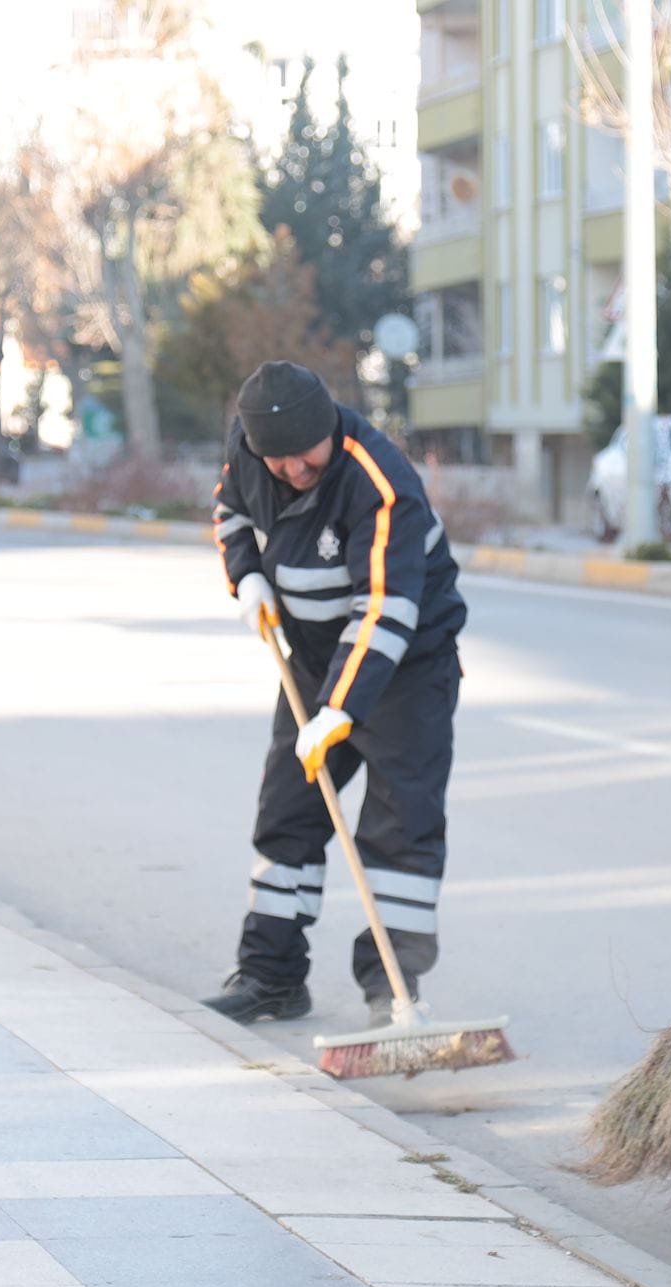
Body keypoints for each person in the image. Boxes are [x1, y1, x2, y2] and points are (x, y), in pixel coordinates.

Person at [203, 361, 467, 1026]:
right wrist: (247, 581)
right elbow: (231, 514)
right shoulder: (251, 456)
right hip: (313, 660)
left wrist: (339, 712)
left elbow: (384, 611)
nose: (294, 470)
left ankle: (392, 994)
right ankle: (271, 977)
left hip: (407, 668)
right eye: (279, 460)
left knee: (400, 827)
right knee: (286, 815)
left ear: (329, 430)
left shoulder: (380, 483)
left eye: (305, 455)